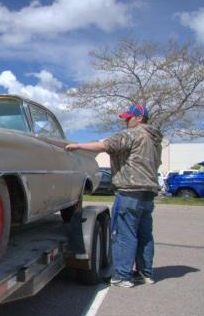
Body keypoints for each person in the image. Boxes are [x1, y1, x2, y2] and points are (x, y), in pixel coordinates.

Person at [65, 104, 162, 288]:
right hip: (148, 192)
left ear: (139, 118)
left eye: (128, 118)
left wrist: (78, 145)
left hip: (130, 191)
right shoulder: (154, 139)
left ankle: (122, 276)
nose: (126, 121)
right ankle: (145, 273)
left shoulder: (133, 134)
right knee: (144, 235)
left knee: (125, 234)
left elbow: (105, 145)